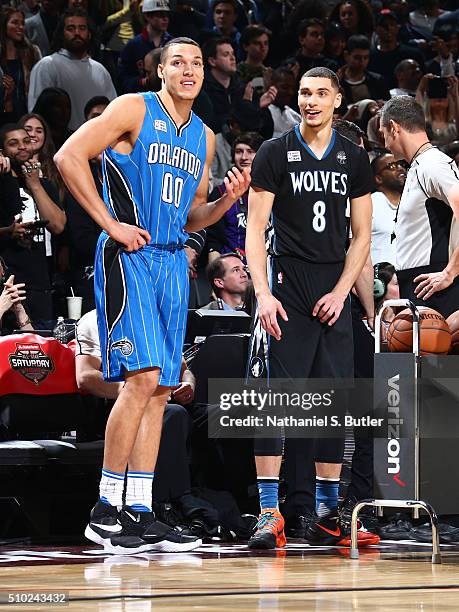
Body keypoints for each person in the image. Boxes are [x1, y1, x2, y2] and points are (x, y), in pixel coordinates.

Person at [54, 36, 250, 554]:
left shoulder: (205, 138)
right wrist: (110, 224)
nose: (190, 70)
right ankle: (104, 511)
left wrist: (228, 200)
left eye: (197, 63)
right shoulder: (131, 108)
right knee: (139, 379)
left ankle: (139, 512)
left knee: (162, 387)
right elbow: (69, 156)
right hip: (129, 255)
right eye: (178, 62)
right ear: (159, 70)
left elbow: (193, 217)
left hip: (171, 261)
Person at [245, 67, 376, 549]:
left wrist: (343, 291)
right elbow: (254, 231)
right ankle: (267, 512)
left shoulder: (354, 157)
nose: (311, 100)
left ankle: (326, 512)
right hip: (287, 281)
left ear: (339, 100)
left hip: (332, 284)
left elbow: (362, 235)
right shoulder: (274, 152)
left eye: (322, 93)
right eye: (304, 93)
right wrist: (263, 294)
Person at [75, 308, 196, 505]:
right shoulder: (96, 319)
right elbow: (85, 377)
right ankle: (172, 504)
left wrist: (189, 384)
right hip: (121, 404)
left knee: (227, 416)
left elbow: (185, 370)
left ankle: (241, 507)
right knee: (173, 415)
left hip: (170, 397)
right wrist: (134, 392)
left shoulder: (157, 315)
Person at [379, 95, 459, 319]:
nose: (384, 143)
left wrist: (451, 272)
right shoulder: (420, 166)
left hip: (436, 287)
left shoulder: (432, 164)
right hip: (420, 285)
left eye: (383, 133)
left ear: (394, 128)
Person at [0, 124, 66, 323]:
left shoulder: (43, 184)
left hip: (41, 283)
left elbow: (58, 225)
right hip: (9, 284)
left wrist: (35, 184)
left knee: (40, 346)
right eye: (14, 143)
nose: (22, 147)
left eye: (26, 141)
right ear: (2, 151)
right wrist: (8, 232)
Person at [27, 8, 117, 131]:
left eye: (82, 28)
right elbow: (36, 114)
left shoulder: (100, 70)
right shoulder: (47, 66)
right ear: (61, 34)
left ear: (89, 34)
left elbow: (113, 111)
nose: (77, 33)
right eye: (70, 28)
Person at [207, 131, 263, 262]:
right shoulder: (220, 193)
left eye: (250, 151)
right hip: (233, 270)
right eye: (239, 151)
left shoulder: (272, 192)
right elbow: (213, 240)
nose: (244, 157)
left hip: (267, 268)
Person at [117, 0, 172, 94]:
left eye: (167, 15)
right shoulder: (133, 46)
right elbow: (123, 80)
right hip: (142, 98)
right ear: (147, 16)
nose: (165, 19)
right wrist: (143, 81)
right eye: (160, 15)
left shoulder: (172, 44)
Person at [0, 7, 41, 123]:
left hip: (25, 116)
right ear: (4, 25)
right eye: (15, 23)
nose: (21, 27)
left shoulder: (32, 53)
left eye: (22, 23)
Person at [370, 152, 407, 266]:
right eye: (392, 166)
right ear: (378, 178)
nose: (400, 169)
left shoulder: (413, 202)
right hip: (379, 279)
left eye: (401, 164)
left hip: (410, 277)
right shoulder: (370, 203)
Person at [339, 35, 389, 104]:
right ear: (346, 55)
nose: (362, 62)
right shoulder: (338, 82)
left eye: (365, 57)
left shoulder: (377, 81)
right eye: (357, 58)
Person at [415, 74, 459, 146]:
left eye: (443, 93)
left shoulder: (454, 123)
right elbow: (416, 113)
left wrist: (455, 94)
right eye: (435, 94)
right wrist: (421, 89)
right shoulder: (424, 123)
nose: (439, 98)